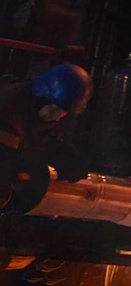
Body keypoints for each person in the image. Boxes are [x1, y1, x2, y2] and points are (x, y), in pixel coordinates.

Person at [0, 63, 93, 209]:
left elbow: (36, 135)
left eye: (63, 112)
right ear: (41, 98)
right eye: (55, 109)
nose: (57, 117)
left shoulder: (29, 109)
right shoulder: (7, 114)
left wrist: (63, 155)